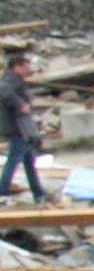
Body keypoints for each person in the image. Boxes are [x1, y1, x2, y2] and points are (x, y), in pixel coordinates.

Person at [0, 46, 44, 205]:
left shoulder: (15, 79)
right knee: (14, 159)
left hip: (20, 127)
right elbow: (4, 91)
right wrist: (20, 104)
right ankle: (2, 190)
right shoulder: (10, 79)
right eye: (26, 67)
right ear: (16, 66)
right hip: (16, 127)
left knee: (28, 161)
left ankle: (38, 193)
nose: (28, 70)